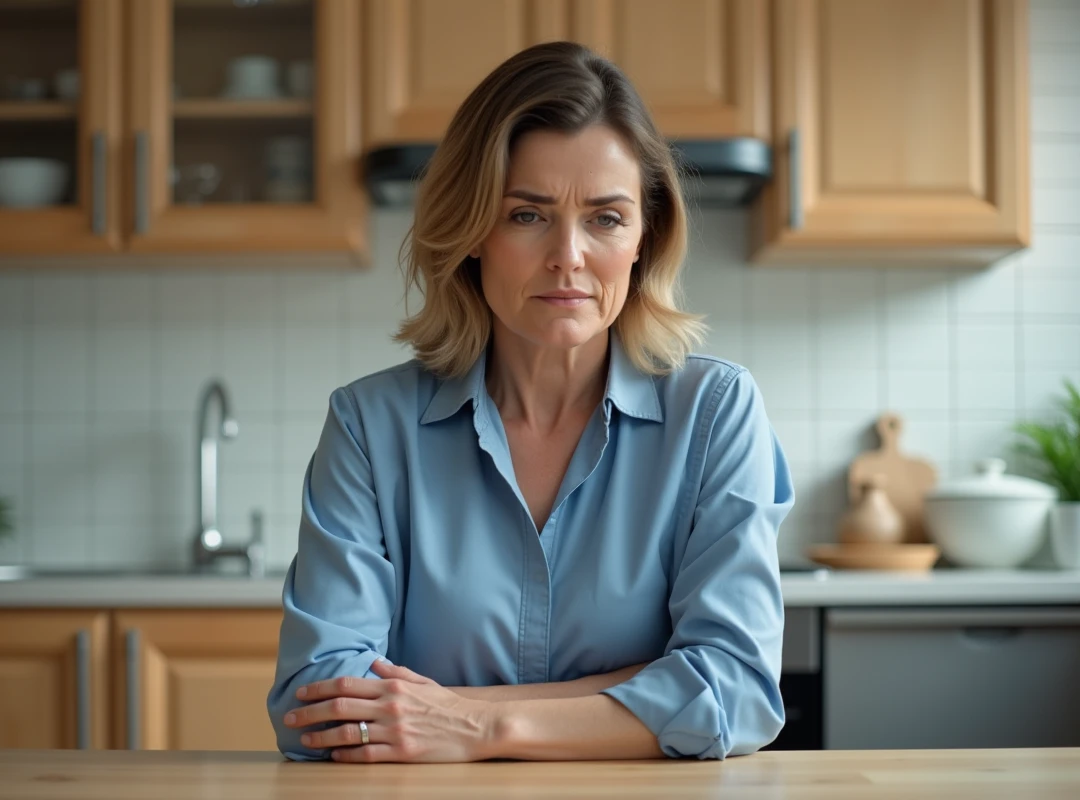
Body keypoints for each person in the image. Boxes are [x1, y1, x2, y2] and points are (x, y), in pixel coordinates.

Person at [267, 40, 794, 763]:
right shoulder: (368, 427)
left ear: (645, 237)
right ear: (472, 230)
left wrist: (473, 723)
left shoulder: (716, 413)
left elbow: (736, 689)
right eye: (526, 215)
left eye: (606, 218)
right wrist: (647, 689)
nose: (568, 256)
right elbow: (315, 705)